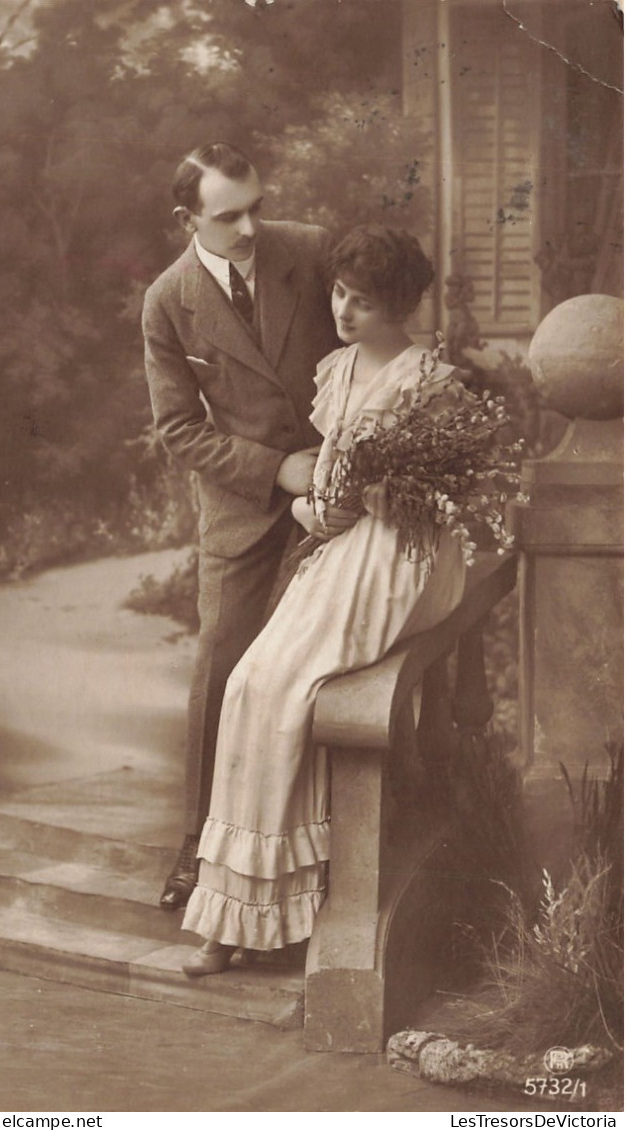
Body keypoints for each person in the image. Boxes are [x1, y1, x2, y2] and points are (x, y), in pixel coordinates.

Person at [179, 225, 469, 975]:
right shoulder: (335, 370)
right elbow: (322, 483)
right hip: (341, 549)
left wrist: (372, 497)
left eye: (362, 302)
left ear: (398, 307)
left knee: (286, 686)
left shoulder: (429, 379)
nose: (343, 311)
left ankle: (266, 915)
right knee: (249, 683)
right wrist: (314, 511)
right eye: (339, 293)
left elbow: (442, 500)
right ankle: (237, 911)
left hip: (399, 559)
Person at [142, 143, 341, 909]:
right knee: (222, 666)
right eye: (230, 216)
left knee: (326, 664)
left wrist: (331, 458)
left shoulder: (310, 250)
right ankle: (198, 848)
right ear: (186, 218)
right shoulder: (167, 299)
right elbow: (177, 429)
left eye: (258, 206)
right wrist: (273, 469)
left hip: (334, 487)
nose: (252, 227)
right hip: (241, 504)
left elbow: (364, 344)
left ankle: (323, 852)